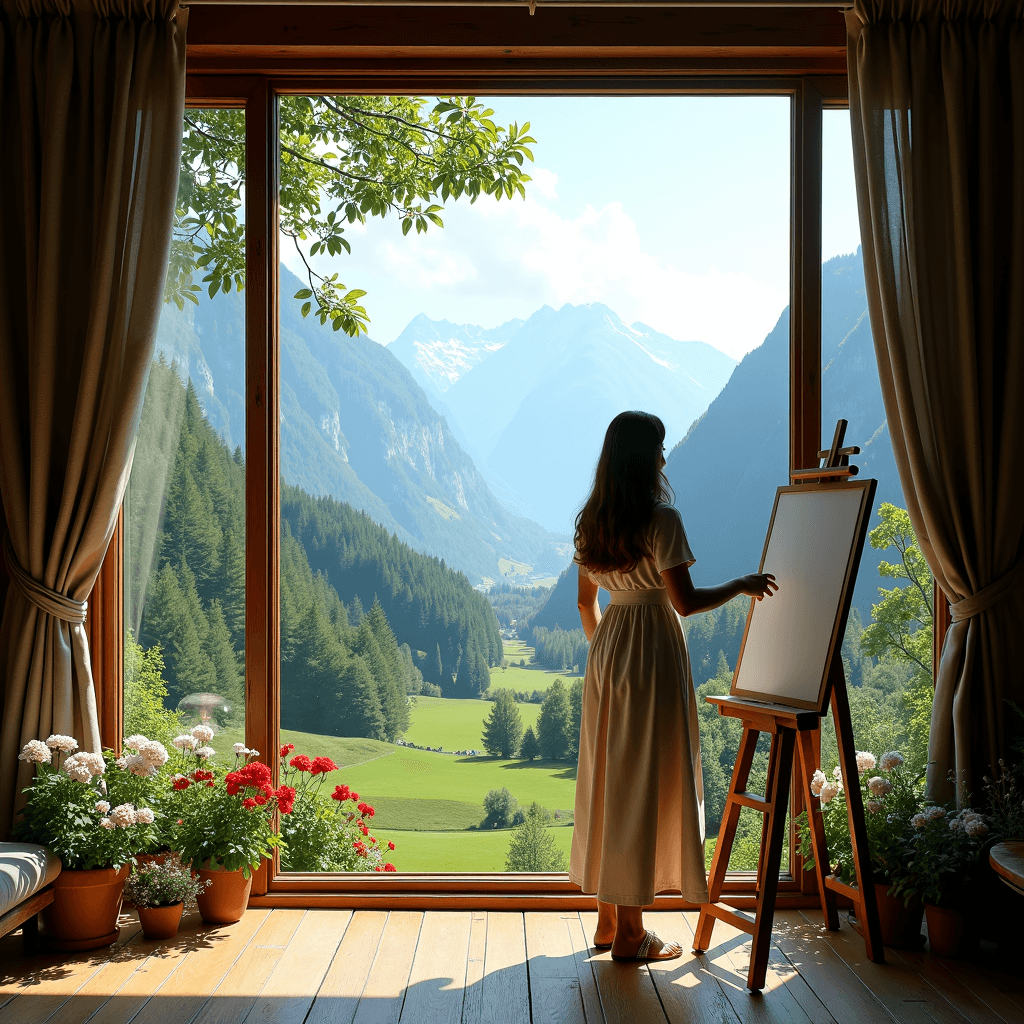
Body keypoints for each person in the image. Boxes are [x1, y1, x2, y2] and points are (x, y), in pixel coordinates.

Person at [570, 411, 778, 962]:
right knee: (642, 781)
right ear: (645, 459)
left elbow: (584, 603)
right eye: (659, 449)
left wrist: (603, 656)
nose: (665, 458)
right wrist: (739, 584)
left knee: (614, 778)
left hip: (610, 652)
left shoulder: (592, 520)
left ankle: (609, 921)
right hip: (652, 653)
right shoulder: (662, 520)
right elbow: (684, 602)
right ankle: (633, 935)